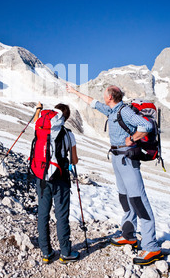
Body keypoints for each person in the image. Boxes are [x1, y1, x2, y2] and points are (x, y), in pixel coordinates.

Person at [66, 84, 163, 266]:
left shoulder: (124, 111)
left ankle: (151, 246)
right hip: (117, 157)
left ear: (110, 96)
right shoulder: (111, 110)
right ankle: (129, 235)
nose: (102, 95)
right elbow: (92, 102)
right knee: (125, 198)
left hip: (127, 157)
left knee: (138, 200)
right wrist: (74, 92)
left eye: (105, 93)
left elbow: (147, 125)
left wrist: (133, 138)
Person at [32, 102, 80, 264]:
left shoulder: (40, 127)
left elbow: (36, 120)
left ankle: (46, 252)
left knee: (43, 215)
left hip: (41, 176)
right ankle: (65, 252)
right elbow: (74, 160)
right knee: (61, 216)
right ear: (65, 118)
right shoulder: (68, 134)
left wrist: (38, 109)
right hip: (60, 178)